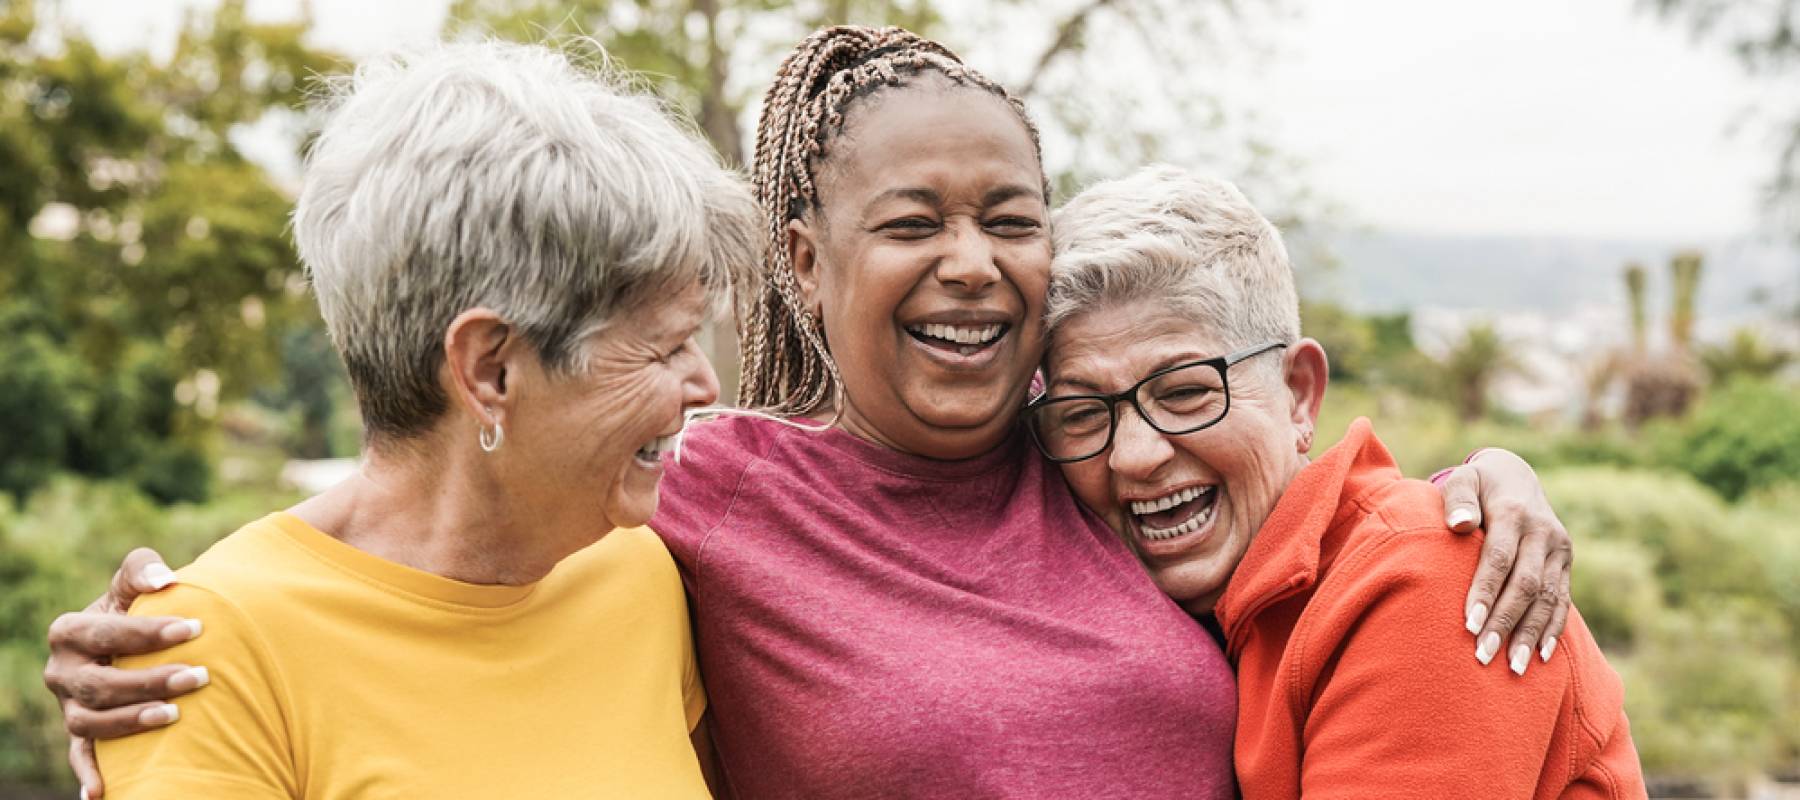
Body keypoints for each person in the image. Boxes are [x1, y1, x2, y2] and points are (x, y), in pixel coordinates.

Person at [47, 26, 1575, 799]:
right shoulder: (696, 504)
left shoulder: (1097, 459)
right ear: (801, 262)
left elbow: (1290, 500)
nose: (971, 263)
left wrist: (1482, 489)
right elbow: (436, 521)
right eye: (912, 222)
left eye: (1011, 219)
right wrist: (168, 628)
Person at [58, 40, 759, 799]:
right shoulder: (207, 652)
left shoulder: (638, 571)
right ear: (489, 370)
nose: (704, 384)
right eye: (665, 347)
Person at [1029, 164, 1645, 798]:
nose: (1132, 456)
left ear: (1299, 395)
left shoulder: (1421, 582)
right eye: (1082, 413)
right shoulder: (1215, 599)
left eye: (1185, 393)